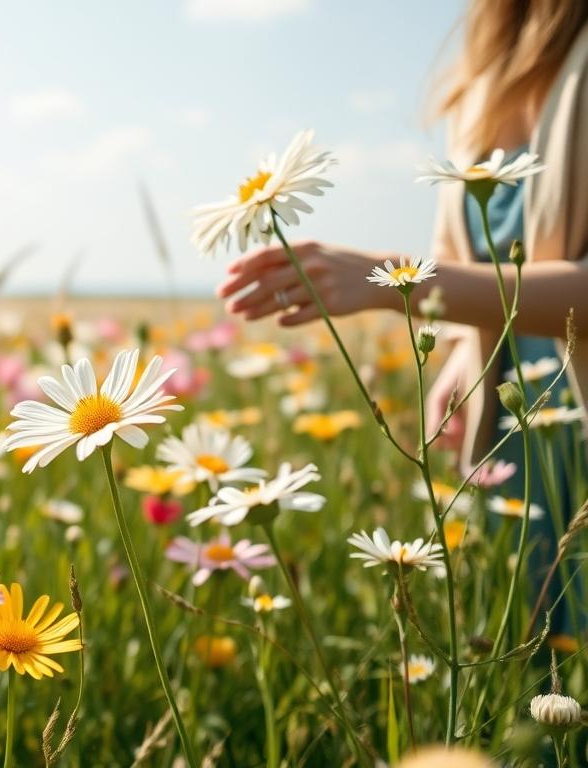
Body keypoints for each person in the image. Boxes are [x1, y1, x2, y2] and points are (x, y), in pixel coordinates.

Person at [216, 0, 588, 630]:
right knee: (535, 668)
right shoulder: (481, 83)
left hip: (573, 438)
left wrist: (391, 278)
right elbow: (479, 264)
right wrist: (466, 364)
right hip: (513, 437)